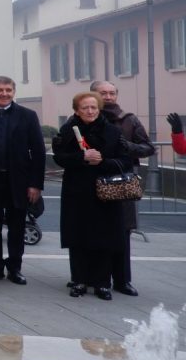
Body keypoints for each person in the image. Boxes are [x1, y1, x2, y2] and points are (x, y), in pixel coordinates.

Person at [53, 91, 133, 300]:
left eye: (93, 107)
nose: (90, 111)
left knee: (104, 237)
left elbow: (125, 161)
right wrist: (82, 157)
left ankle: (102, 283)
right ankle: (79, 280)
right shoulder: (69, 130)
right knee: (78, 236)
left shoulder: (113, 132)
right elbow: (60, 158)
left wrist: (102, 161)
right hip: (77, 192)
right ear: (77, 110)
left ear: (99, 109)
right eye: (85, 108)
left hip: (104, 193)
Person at [0, 76, 45, 286]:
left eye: (8, 90)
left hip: (19, 181)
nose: (4, 94)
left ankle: (15, 267)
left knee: (17, 226)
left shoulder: (28, 115)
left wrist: (35, 184)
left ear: (14, 92)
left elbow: (38, 152)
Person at [92, 80, 152, 296]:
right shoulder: (84, 117)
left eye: (112, 93)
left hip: (121, 184)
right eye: (103, 93)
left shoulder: (129, 119)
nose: (108, 97)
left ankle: (122, 280)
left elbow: (147, 148)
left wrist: (127, 147)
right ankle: (97, 278)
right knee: (95, 232)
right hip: (93, 182)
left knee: (122, 231)